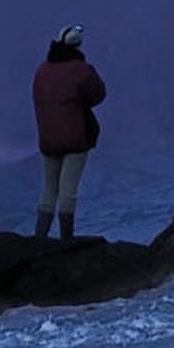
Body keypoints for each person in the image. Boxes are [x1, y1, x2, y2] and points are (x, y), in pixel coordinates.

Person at [31, 23, 107, 239]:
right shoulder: (82, 70)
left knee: (49, 189)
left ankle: (40, 237)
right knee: (68, 190)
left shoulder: (42, 71)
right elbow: (99, 94)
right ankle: (66, 239)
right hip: (76, 137)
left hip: (48, 139)